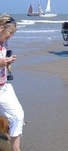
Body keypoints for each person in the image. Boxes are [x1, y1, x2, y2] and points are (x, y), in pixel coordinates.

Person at [0, 14, 24, 151]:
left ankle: (16, 149)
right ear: (1, 27)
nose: (11, 36)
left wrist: (8, 63)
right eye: (10, 32)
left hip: (3, 86)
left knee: (17, 115)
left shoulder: (3, 41)